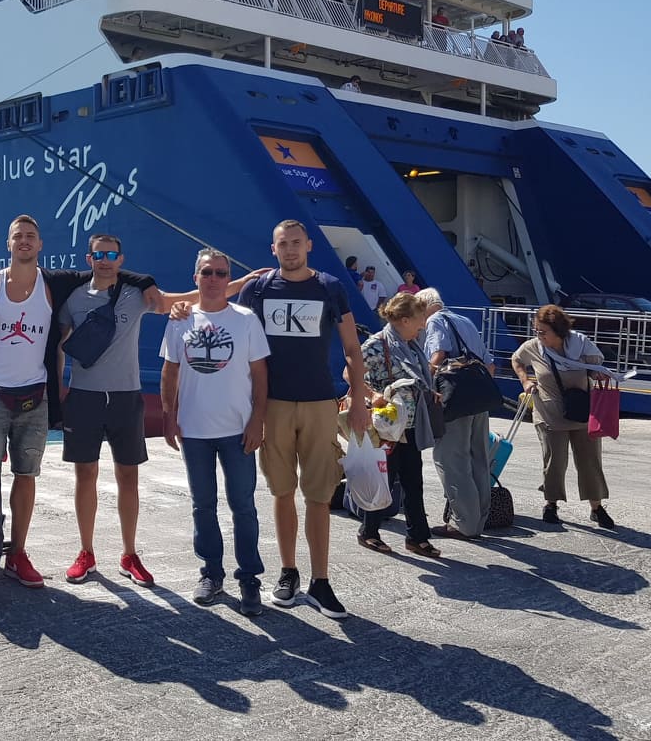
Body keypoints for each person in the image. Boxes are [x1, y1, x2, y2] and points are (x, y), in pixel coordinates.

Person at [0, 215, 158, 586]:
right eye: (18, 236)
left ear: (40, 245)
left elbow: (104, 271)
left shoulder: (54, 284)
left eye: (31, 236)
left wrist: (146, 281)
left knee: (26, 476)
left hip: (34, 396)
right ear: (8, 244)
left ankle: (18, 554)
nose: (24, 241)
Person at [59, 235, 261, 587]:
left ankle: (129, 554)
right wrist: (52, 392)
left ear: (121, 259)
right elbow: (59, 345)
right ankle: (86, 551)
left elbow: (183, 299)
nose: (105, 259)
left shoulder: (135, 294)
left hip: (125, 397)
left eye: (111, 254)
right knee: (85, 475)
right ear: (89, 259)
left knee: (128, 477)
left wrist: (239, 284)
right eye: (98, 254)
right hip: (84, 395)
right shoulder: (73, 298)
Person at [244, 220, 370, 620]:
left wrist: (360, 401)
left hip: (319, 403)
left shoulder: (330, 287)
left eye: (296, 243)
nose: (290, 250)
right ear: (273, 249)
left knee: (318, 494)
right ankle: (288, 572)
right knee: (282, 492)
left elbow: (352, 348)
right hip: (273, 404)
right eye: (283, 244)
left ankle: (321, 581)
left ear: (309, 245)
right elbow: (234, 336)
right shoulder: (258, 290)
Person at [161, 249, 270, 614]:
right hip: (194, 431)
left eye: (221, 273)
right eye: (206, 272)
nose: (213, 279)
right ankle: (211, 573)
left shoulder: (246, 319)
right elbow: (171, 372)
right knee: (203, 506)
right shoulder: (180, 320)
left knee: (244, 506)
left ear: (229, 279)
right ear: (195, 278)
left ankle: (249, 578)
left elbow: (260, 374)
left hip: (238, 429)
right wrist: (169, 415)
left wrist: (257, 420)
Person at [510, 305, 615, 528]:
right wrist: (525, 380)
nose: (539, 335)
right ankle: (551, 504)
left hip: (582, 412)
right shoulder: (533, 347)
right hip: (549, 412)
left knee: (590, 461)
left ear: (559, 331)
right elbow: (516, 360)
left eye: (543, 331)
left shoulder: (581, 345)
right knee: (555, 461)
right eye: (537, 330)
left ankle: (596, 507)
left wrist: (597, 374)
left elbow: (595, 367)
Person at [356, 294, 442, 557]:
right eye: (420, 319)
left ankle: (417, 537)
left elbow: (416, 378)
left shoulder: (410, 345)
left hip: (410, 424)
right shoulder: (376, 344)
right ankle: (368, 532)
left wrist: (428, 391)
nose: (423, 325)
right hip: (388, 425)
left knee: (413, 481)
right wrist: (373, 395)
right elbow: (350, 373)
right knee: (383, 478)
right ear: (405, 320)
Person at [418, 288, 493, 539]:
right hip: (478, 396)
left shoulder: (434, 321)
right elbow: (489, 363)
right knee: (478, 457)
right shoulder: (465, 321)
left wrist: (423, 384)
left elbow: (438, 354)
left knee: (450, 459)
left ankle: (465, 523)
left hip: (454, 398)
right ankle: (479, 519)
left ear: (424, 307)